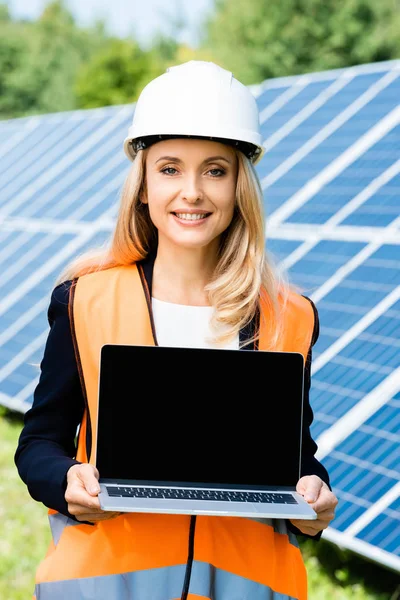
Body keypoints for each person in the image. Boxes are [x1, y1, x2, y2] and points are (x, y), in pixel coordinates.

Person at [15, 60, 338, 600]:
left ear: (240, 187)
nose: (192, 191)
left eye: (215, 170)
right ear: (142, 185)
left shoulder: (290, 315)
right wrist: (66, 481)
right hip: (106, 585)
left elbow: (293, 452)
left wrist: (314, 492)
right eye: (169, 168)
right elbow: (40, 442)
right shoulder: (84, 299)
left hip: (246, 586)